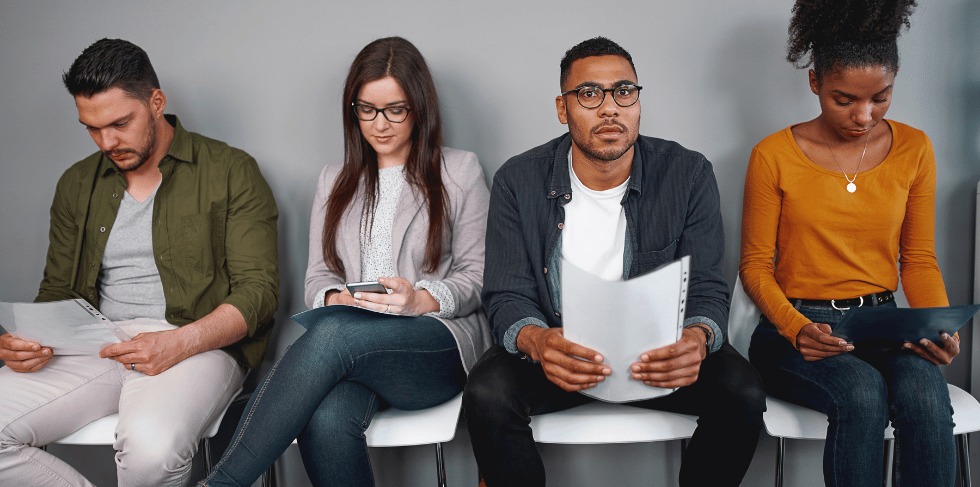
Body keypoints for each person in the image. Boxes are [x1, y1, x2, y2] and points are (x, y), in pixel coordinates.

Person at [463, 37, 765, 487]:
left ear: (638, 102)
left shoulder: (688, 173)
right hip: (560, 350)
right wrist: (538, 341)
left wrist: (697, 339)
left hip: (657, 354)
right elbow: (506, 292)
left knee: (742, 391)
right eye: (589, 94)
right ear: (563, 109)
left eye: (624, 91)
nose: (610, 108)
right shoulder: (518, 180)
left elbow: (707, 287)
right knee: (486, 393)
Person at [200, 36, 490, 487]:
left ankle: (221, 483)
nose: (380, 124)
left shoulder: (460, 171)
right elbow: (319, 275)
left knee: (334, 335)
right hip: (354, 347)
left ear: (420, 107)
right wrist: (336, 296)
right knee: (326, 419)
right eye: (367, 109)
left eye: (396, 109)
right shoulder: (334, 180)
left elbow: (477, 276)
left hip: (434, 346)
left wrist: (420, 300)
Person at [0, 38, 279, 487]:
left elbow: (258, 293)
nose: (106, 141)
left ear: (156, 102)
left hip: (194, 344)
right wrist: (28, 340)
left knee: (151, 452)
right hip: (94, 346)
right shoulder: (76, 184)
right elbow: (56, 290)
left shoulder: (230, 170)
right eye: (91, 128)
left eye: (119, 123)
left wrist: (180, 343)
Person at [739, 1, 958, 485]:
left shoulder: (915, 149)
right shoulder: (772, 155)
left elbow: (918, 259)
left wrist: (937, 324)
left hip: (882, 320)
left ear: (895, 77)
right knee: (860, 394)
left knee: (924, 395)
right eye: (844, 100)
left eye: (881, 97)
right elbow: (754, 266)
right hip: (794, 328)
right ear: (814, 81)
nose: (864, 115)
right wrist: (796, 328)